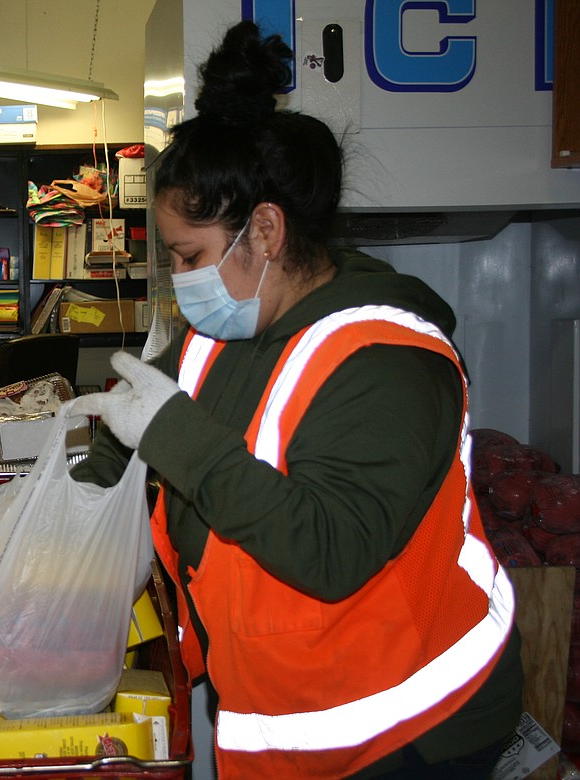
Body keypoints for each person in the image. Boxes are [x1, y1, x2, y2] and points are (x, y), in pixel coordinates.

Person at [70, 21, 522, 779]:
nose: (182, 280)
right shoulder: (227, 326)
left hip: (410, 728)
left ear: (266, 230)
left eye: (190, 256)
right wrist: (69, 508)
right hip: (290, 703)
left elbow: (331, 547)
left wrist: (173, 434)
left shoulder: (389, 363)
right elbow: (139, 431)